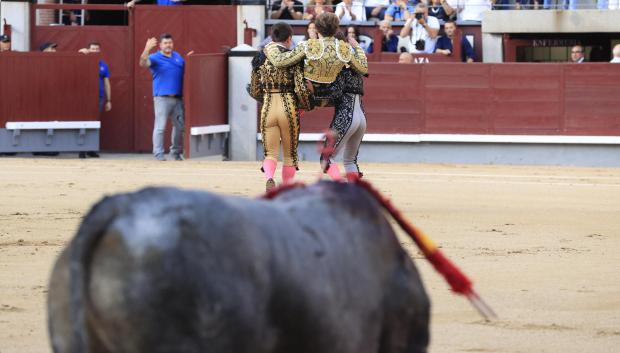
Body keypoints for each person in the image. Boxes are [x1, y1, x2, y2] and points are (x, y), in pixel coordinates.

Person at [249, 22, 311, 191]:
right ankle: (287, 189)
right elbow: (299, 87)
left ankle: (269, 177)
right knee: (290, 155)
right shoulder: (293, 57)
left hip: (268, 107)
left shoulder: (260, 58)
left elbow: (254, 90)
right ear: (289, 39)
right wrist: (306, 104)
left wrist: (266, 97)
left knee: (270, 153)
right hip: (288, 106)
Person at [264, 12, 368, 108]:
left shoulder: (309, 45)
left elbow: (280, 62)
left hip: (307, 94)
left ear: (317, 29)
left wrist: (271, 46)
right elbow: (363, 69)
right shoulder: (344, 48)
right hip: (332, 94)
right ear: (336, 29)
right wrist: (358, 47)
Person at [320, 54, 368, 181]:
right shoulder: (357, 69)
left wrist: (315, 100)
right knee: (350, 160)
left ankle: (341, 189)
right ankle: (355, 193)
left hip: (346, 116)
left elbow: (335, 93)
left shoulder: (339, 69)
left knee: (326, 158)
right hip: (362, 118)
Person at [139, 33, 186, 161]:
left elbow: (187, 69)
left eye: (170, 42)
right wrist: (147, 49)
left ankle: (175, 152)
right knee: (160, 127)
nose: (168, 45)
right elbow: (143, 63)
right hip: (162, 98)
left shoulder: (178, 57)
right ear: (160, 45)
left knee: (179, 126)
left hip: (177, 98)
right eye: (165, 43)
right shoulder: (155, 57)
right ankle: (158, 153)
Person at [77, 42, 112, 158]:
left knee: (95, 122)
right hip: (84, 97)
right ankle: (81, 149)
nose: (95, 51)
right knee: (83, 122)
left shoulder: (103, 65)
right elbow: (72, 63)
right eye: (92, 49)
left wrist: (109, 100)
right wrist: (80, 52)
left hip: (99, 97)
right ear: (88, 50)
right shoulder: (82, 61)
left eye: (97, 49)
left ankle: (91, 149)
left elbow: (107, 83)